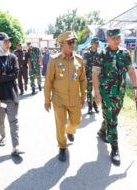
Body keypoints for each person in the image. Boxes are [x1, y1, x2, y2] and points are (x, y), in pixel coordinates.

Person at [92, 29, 137, 166]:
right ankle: (115, 149)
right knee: (113, 119)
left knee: (111, 116)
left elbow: (130, 70)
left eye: (118, 38)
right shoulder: (102, 54)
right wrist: (97, 93)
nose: (117, 40)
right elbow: (95, 74)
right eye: (114, 38)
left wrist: (135, 88)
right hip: (106, 94)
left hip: (120, 93)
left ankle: (102, 131)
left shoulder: (124, 53)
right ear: (107, 38)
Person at [44, 31, 86, 162]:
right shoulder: (54, 61)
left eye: (73, 42)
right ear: (62, 44)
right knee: (60, 125)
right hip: (59, 100)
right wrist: (47, 99)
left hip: (74, 99)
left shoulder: (79, 60)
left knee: (76, 122)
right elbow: (48, 81)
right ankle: (62, 147)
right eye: (70, 42)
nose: (73, 44)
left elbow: (83, 79)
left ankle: (70, 131)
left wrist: (83, 96)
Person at [83, 37, 99, 114]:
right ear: (91, 44)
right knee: (89, 91)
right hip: (89, 75)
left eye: (97, 43)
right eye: (95, 43)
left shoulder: (100, 54)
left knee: (97, 91)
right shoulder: (86, 54)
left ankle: (95, 105)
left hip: (98, 77)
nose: (97, 45)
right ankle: (90, 107)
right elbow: (84, 65)